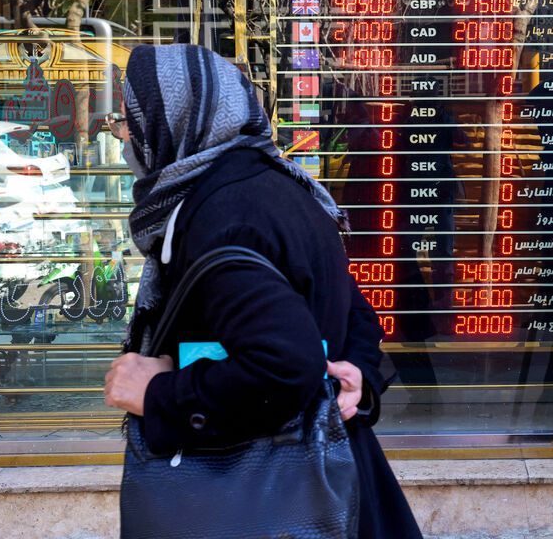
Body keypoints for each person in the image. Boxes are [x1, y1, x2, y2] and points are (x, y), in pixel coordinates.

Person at [102, 44, 422, 539]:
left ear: (174, 122)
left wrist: (159, 394)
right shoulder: (283, 184)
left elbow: (284, 364)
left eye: (129, 121)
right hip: (332, 478)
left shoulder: (221, 217)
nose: (126, 137)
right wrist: (358, 377)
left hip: (272, 498)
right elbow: (352, 305)